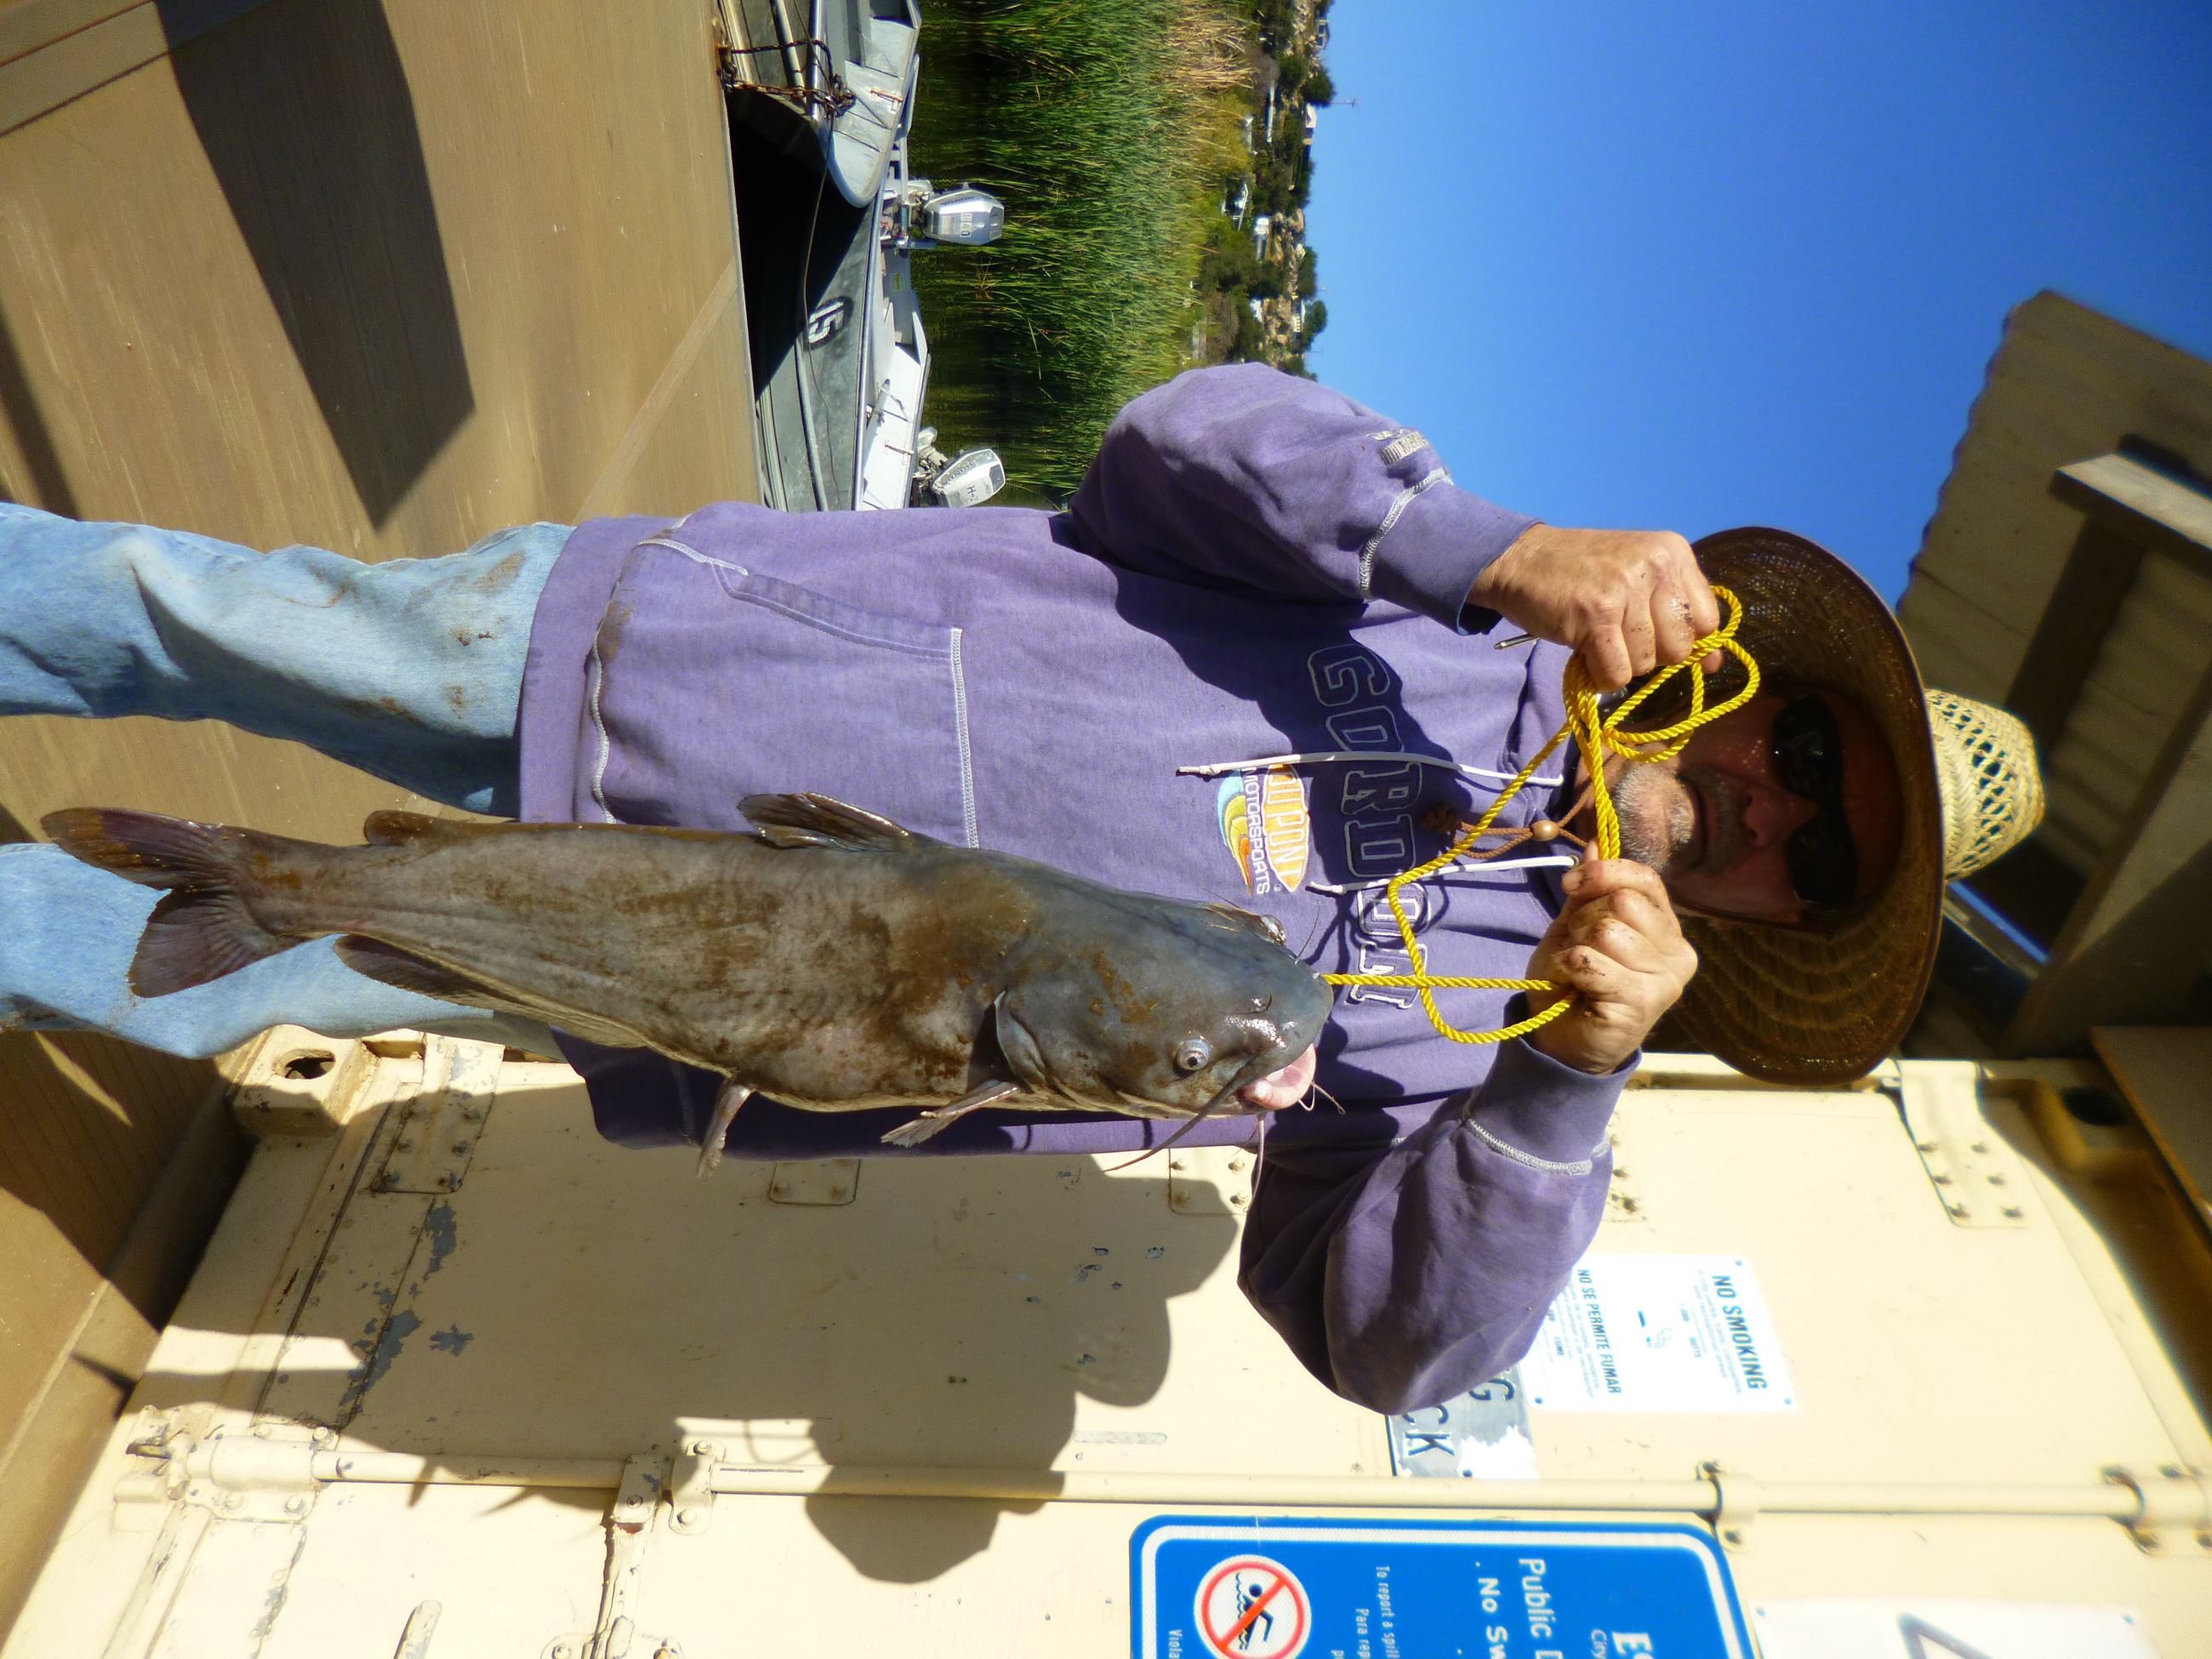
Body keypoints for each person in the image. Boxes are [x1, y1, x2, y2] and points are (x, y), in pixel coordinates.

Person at [0, 363, 2043, 1413]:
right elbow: (1175, 441)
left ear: (1790, 926)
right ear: (1758, 685)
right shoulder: (1463, 598)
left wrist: (1567, 1086)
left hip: (667, 982)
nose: (1772, 810)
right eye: (1805, 752)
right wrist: (1475, 543)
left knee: (217, 961)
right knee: (191, 612)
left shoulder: (1492, 1046)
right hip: (643, 658)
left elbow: (1385, 1345)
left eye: (1827, 856)